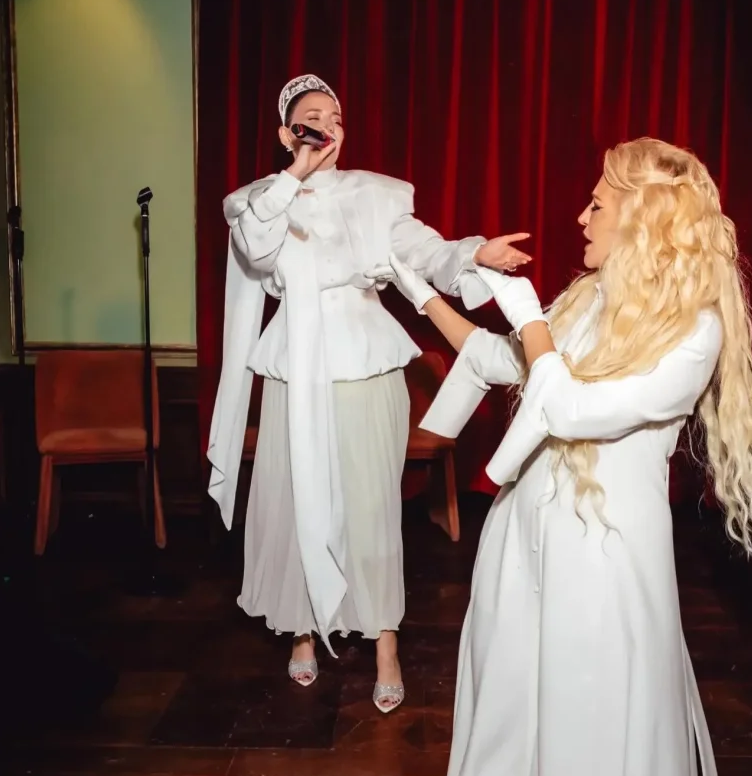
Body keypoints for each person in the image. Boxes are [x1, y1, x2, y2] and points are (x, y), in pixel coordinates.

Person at [384, 137, 752, 776]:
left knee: (602, 737)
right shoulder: (588, 297)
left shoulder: (694, 331)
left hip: (603, 565)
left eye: (598, 202)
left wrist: (529, 316)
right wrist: (417, 290)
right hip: (521, 540)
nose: (580, 215)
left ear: (644, 217)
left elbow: (567, 406)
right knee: (501, 712)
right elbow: (501, 360)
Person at [207, 73, 531, 713]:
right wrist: (295, 177)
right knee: (294, 497)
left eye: (335, 116)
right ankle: (301, 632)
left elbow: (427, 252)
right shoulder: (257, 201)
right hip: (294, 368)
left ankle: (385, 644)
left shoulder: (378, 194)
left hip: (366, 362)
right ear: (288, 133)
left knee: (370, 508)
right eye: (312, 116)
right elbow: (258, 252)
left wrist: (474, 255)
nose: (328, 124)